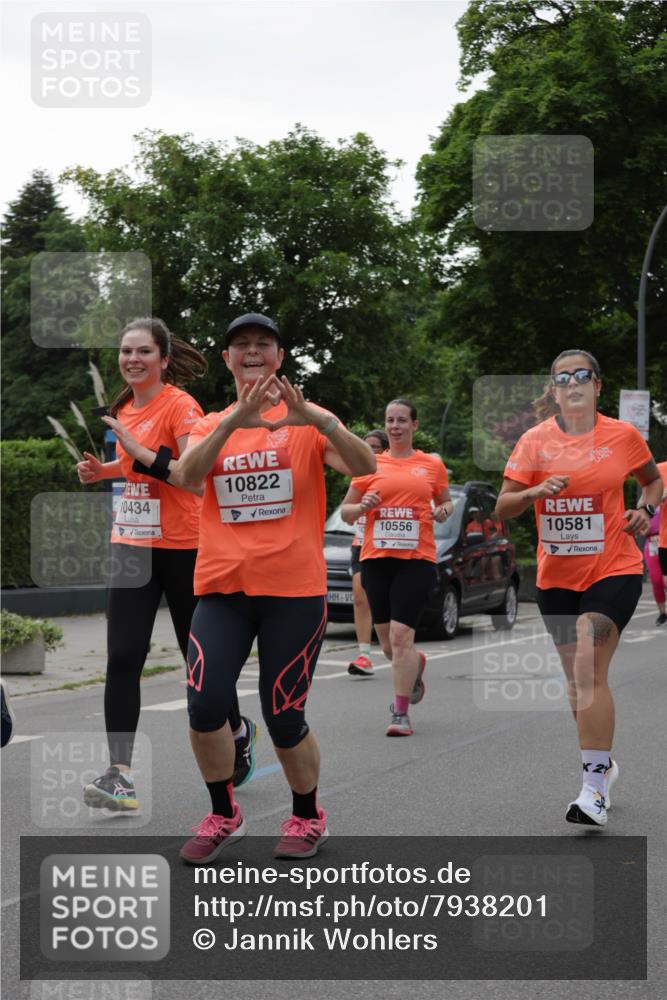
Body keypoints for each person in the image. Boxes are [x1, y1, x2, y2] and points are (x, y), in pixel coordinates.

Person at [169, 313, 375, 862]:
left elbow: (366, 465)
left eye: (263, 344)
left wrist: (316, 420)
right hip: (221, 590)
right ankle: (223, 812)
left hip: (293, 592)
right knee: (204, 704)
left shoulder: (310, 419)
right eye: (241, 345)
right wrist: (234, 420)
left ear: (279, 357)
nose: (253, 351)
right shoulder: (209, 422)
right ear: (227, 360)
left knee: (284, 716)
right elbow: (187, 477)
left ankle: (308, 816)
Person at [76, 317, 255, 812]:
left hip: (184, 546)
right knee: (122, 657)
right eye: (126, 351)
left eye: (143, 352)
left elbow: (191, 476)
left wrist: (132, 450)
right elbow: (135, 466)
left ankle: (237, 731)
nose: (132, 360)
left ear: (163, 358)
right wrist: (104, 470)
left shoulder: (181, 406)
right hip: (132, 544)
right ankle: (120, 774)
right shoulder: (122, 407)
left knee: (201, 661)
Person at [496, 349, 663, 827]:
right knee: (576, 683)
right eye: (561, 377)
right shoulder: (534, 441)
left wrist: (645, 512)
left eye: (581, 375)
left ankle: (592, 789)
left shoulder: (622, 436)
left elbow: (652, 482)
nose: (571, 383)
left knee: (589, 665)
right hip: (556, 579)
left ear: (598, 385)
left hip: (614, 567)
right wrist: (533, 493)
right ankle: (603, 764)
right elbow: (505, 506)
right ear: (553, 389)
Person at [341, 399, 452, 737]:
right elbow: (346, 512)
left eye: (402, 420)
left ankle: (401, 714)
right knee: (389, 645)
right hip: (376, 559)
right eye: (390, 420)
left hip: (416, 560)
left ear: (414, 425)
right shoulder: (369, 464)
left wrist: (443, 511)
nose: (395, 426)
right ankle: (414, 664)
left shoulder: (431, 465)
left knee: (403, 637)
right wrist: (362, 505)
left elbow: (445, 501)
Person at [348, 429, 389, 677]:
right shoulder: (359, 474)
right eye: (366, 446)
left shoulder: (394, 473)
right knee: (359, 595)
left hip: (387, 545)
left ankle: (398, 647)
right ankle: (364, 655)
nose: (370, 450)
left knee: (387, 602)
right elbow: (348, 508)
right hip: (362, 541)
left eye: (375, 447)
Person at [643, 507, 666, 626]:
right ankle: (662, 613)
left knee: (665, 582)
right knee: (656, 580)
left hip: (665, 543)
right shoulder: (647, 504)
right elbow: (641, 528)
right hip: (652, 544)